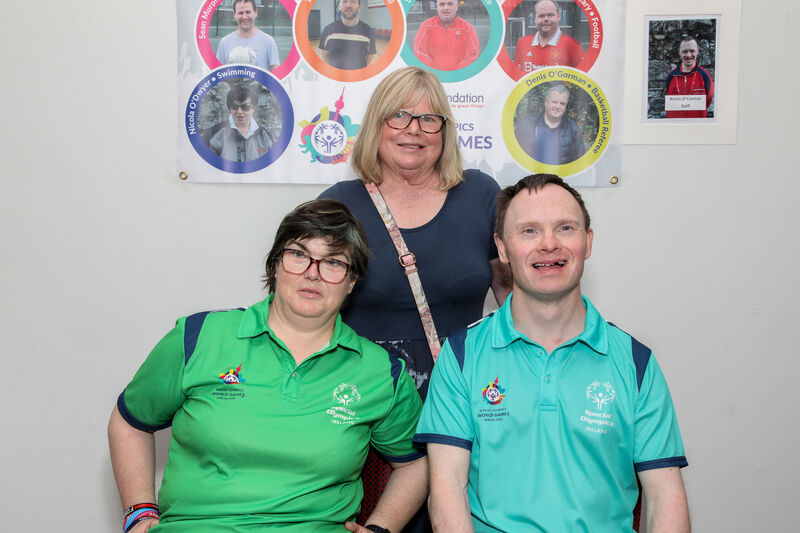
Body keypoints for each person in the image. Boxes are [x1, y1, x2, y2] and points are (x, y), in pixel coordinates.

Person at [108, 199, 428, 533]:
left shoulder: (379, 372)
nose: (312, 274)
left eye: (333, 262)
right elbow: (130, 421)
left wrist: (381, 528)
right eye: (299, 255)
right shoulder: (199, 336)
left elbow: (417, 463)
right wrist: (139, 512)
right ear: (274, 264)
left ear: (351, 282)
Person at [415, 174, 691, 532]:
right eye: (528, 231)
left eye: (565, 228)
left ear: (587, 242)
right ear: (502, 248)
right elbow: (447, 490)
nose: (548, 244)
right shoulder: (462, 356)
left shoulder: (636, 363)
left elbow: (664, 497)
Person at [320, 66, 511, 533]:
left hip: (469, 401)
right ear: (376, 125)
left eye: (429, 120)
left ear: (445, 131)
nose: (413, 131)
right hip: (369, 413)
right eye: (399, 117)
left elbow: (512, 297)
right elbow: (306, 309)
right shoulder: (337, 206)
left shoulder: (482, 195)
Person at [515, 84, 585, 165]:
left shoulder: (574, 130)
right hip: (530, 176)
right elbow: (513, 153)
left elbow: (580, 163)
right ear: (546, 102)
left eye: (562, 103)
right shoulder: (526, 125)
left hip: (559, 177)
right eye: (554, 102)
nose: (558, 106)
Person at [208, 83, 274, 162]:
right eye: (235, 106)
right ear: (229, 108)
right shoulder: (215, 134)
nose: (239, 111)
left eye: (245, 107)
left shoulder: (264, 135)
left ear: (254, 108)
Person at [514, 0, 584, 73]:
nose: (546, 19)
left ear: (559, 17)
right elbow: (516, 75)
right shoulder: (522, 43)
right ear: (535, 19)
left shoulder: (572, 45)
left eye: (550, 15)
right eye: (541, 16)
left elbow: (582, 78)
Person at [413, 0, 480, 71]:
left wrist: (455, 74)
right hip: (433, 78)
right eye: (442, 4)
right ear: (437, 6)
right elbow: (420, 51)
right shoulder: (426, 26)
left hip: (459, 78)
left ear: (456, 6)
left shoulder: (468, 29)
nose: (446, 8)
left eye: (450, 4)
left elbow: (472, 55)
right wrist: (434, 73)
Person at [215, 0, 280, 71]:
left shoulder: (268, 41)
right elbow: (218, 73)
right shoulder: (224, 42)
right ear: (234, 15)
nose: (244, 17)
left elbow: (276, 73)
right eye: (240, 13)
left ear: (255, 13)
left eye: (248, 12)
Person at [665, 36, 715, 118]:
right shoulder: (671, 76)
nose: (688, 55)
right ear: (679, 52)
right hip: (674, 126)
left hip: (697, 127)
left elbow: (708, 99)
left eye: (692, 51)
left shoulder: (705, 76)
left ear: (697, 51)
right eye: (684, 51)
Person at [319, 0, 377, 70]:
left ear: (359, 7)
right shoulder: (327, 30)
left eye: (353, 1)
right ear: (339, 7)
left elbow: (369, 57)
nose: (348, 5)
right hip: (335, 77)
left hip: (358, 77)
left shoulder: (369, 32)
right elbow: (324, 55)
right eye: (344, 1)